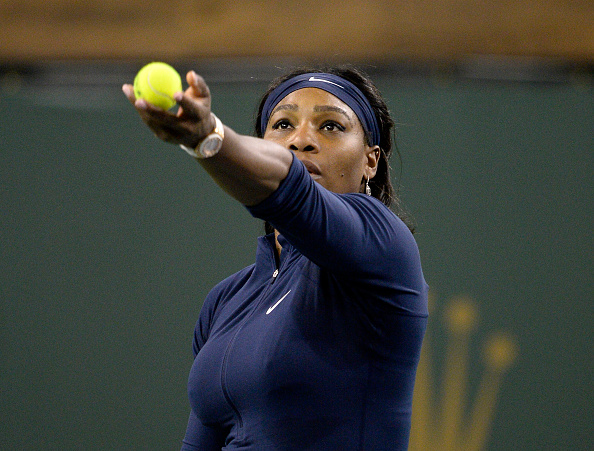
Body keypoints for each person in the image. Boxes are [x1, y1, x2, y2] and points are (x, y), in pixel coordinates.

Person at [123, 65, 428, 451]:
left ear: (371, 160)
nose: (301, 140)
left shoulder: (384, 246)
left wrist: (208, 137)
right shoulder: (224, 301)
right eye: (283, 125)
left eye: (330, 126)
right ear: (261, 146)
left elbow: (294, 191)